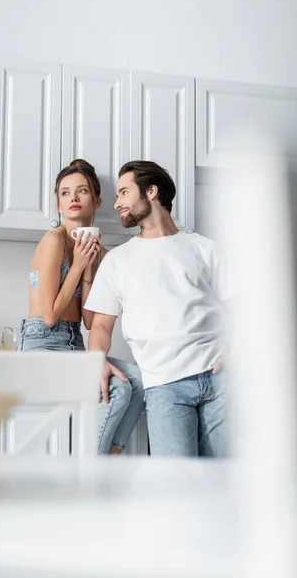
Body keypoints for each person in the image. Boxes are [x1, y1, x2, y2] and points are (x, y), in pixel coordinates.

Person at [84, 160, 232, 457]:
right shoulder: (117, 260)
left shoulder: (203, 248)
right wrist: (96, 360)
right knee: (175, 487)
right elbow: (100, 325)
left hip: (221, 380)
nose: (116, 204)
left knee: (229, 483)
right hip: (165, 387)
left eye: (124, 193)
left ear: (151, 191)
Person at [17, 159, 144, 454]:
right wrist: (79, 265)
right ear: (59, 205)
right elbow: (49, 316)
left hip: (74, 344)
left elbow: (88, 321)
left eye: (82, 191)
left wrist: (89, 267)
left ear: (97, 200)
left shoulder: (99, 254)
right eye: (64, 193)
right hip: (41, 346)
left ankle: (108, 459)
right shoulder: (54, 241)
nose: (73, 198)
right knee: (118, 389)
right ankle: (92, 470)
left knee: (137, 380)